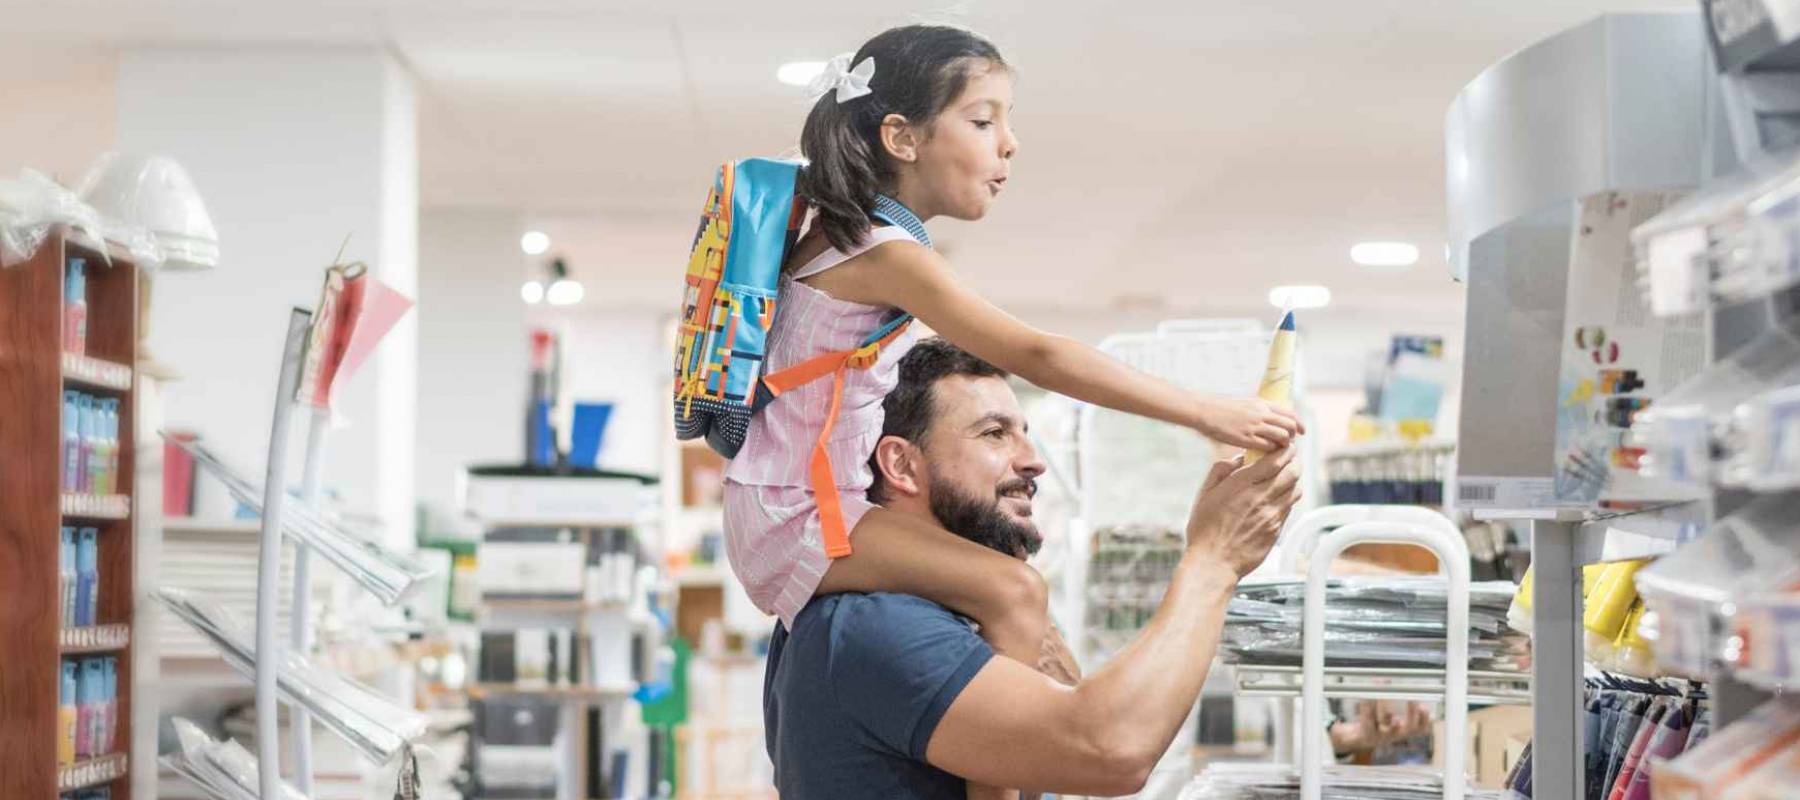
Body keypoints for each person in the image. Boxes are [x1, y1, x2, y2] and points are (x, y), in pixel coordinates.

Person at [722, 24, 1303, 745]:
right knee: (1017, 590)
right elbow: (1038, 354)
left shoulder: (841, 233)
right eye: (982, 119)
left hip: (788, 507)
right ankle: (1017, 774)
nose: (1009, 142)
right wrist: (1202, 412)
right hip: (798, 520)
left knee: (1009, 584)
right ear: (902, 138)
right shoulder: (882, 250)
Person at [763, 338, 1304, 798]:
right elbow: (1111, 748)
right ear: (902, 464)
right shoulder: (879, 626)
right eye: (995, 433)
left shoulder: (938, 614)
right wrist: (1214, 559)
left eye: (1024, 431)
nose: (1033, 460)